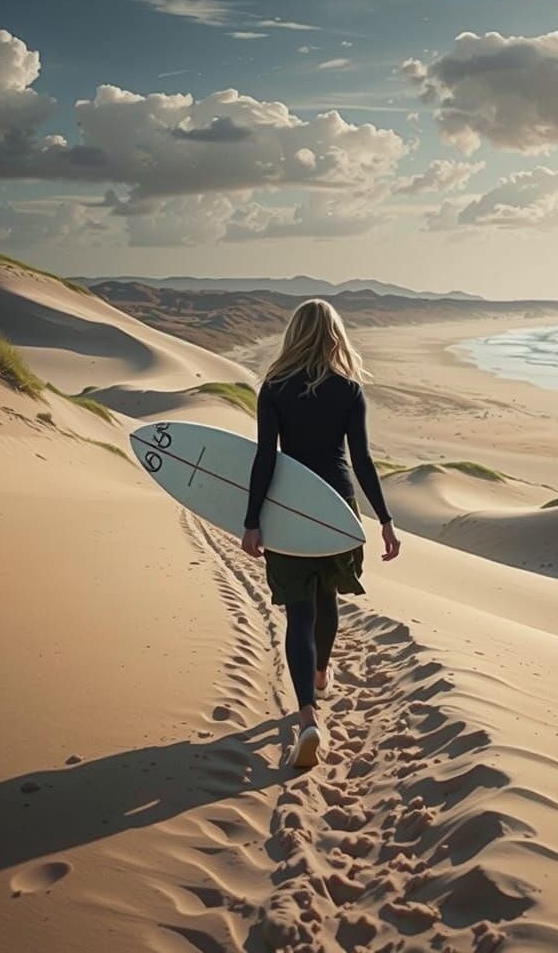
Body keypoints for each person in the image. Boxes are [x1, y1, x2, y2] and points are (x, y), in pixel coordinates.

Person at [240, 298, 401, 768]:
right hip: (336, 507)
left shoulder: (273, 387)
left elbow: (265, 457)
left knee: (299, 612)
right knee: (327, 597)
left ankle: (307, 714)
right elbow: (363, 460)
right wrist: (385, 519)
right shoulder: (349, 390)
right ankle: (321, 673)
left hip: (289, 506)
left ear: (294, 334)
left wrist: (252, 520)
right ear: (335, 334)